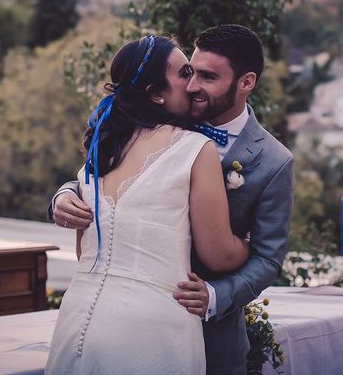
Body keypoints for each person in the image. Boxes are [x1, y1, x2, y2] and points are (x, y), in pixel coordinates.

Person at [49, 25, 294, 375]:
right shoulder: (158, 132)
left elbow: (270, 259)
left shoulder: (274, 161)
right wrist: (66, 194)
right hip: (152, 325)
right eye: (189, 72)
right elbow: (108, 188)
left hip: (211, 328)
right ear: (156, 93)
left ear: (246, 82)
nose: (193, 85)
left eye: (207, 76)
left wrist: (215, 295)